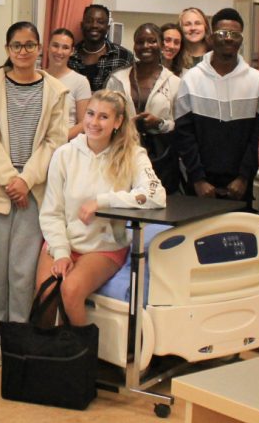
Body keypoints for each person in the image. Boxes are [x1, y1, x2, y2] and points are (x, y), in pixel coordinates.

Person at [0, 21, 68, 367]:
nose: (23, 52)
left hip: (33, 193)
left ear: (39, 48)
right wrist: (10, 179)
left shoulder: (56, 90)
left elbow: (54, 141)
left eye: (29, 45)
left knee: (23, 270)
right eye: (16, 46)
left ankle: (18, 336)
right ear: (7, 49)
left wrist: (26, 180)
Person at [36, 90, 166, 325]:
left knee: (71, 290)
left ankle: (80, 358)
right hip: (63, 238)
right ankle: (50, 357)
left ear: (118, 122)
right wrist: (62, 252)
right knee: (45, 295)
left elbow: (156, 195)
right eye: (90, 114)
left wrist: (103, 202)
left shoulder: (133, 155)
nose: (94, 123)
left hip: (103, 245)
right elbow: (51, 212)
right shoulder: (64, 155)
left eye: (104, 117)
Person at [174, 8, 259, 207]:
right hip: (199, 189)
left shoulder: (257, 80)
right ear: (211, 37)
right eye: (222, 33)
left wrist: (244, 177)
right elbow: (184, 135)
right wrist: (198, 179)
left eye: (234, 34)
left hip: (240, 188)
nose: (228, 39)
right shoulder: (191, 79)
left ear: (241, 39)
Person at [106, 23, 182, 193]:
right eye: (140, 42)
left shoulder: (175, 82)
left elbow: (180, 124)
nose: (145, 46)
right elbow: (107, 116)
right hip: (123, 152)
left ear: (161, 45)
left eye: (152, 41)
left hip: (161, 158)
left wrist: (159, 123)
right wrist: (127, 124)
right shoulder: (118, 79)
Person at [68, 4, 134, 92]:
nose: (94, 25)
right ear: (82, 25)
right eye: (89, 21)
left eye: (100, 22)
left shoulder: (124, 57)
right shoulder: (69, 56)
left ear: (108, 28)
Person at [45, 28, 91, 139]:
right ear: (47, 47)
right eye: (55, 45)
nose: (59, 52)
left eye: (65, 47)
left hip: (66, 145)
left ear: (72, 51)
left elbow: (83, 123)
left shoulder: (80, 81)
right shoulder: (37, 76)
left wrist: (59, 140)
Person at [178, 7, 211, 71]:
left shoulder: (216, 56)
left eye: (198, 23)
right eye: (187, 24)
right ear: (180, 29)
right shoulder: (175, 57)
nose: (193, 28)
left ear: (205, 27)